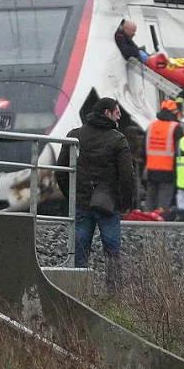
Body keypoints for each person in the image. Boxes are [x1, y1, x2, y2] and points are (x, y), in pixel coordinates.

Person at [58, 97, 137, 290]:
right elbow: (127, 174)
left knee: (79, 250)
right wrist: (126, 202)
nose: (119, 117)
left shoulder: (74, 135)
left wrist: (71, 196)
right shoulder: (118, 139)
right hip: (108, 205)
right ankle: (113, 293)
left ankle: (78, 291)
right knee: (112, 251)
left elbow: (61, 171)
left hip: (82, 203)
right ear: (107, 113)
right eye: (117, 112)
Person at [143, 99, 180, 211]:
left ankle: (145, 226)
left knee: (150, 202)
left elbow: (143, 149)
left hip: (151, 170)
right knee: (163, 206)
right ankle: (161, 227)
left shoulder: (151, 126)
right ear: (174, 112)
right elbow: (179, 151)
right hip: (168, 171)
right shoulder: (176, 127)